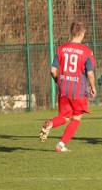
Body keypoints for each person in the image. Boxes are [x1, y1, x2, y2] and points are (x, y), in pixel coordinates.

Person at [39, 21, 97, 152]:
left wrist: (58, 82)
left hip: (63, 88)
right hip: (78, 90)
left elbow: (53, 70)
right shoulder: (87, 52)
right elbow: (90, 73)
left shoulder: (61, 49)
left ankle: (50, 124)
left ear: (72, 33)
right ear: (82, 34)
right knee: (76, 118)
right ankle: (61, 145)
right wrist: (93, 87)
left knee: (64, 116)